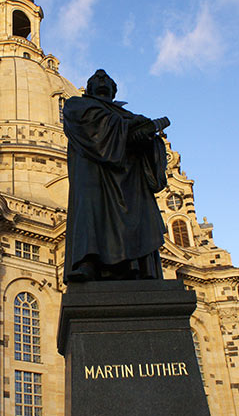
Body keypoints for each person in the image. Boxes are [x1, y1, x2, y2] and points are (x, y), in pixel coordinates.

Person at [63, 69, 169, 282]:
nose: (102, 80)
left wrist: (148, 138)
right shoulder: (77, 104)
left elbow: (145, 148)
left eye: (106, 79)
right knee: (90, 211)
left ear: (113, 90)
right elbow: (92, 128)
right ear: (89, 88)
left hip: (128, 176)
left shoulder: (127, 115)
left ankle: (138, 268)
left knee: (135, 215)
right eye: (97, 79)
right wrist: (131, 126)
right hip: (94, 170)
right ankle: (87, 262)